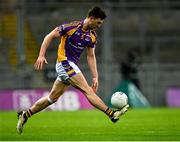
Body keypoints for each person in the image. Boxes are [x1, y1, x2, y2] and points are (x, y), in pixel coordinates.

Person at [16, 6, 129, 134]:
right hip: (64, 62)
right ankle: (111, 114)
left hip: (70, 66)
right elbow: (49, 36)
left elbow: (91, 56)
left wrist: (95, 76)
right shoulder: (71, 27)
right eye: (98, 22)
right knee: (87, 90)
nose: (99, 25)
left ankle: (25, 115)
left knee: (51, 98)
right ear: (91, 18)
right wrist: (41, 55)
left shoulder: (92, 37)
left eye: (101, 23)